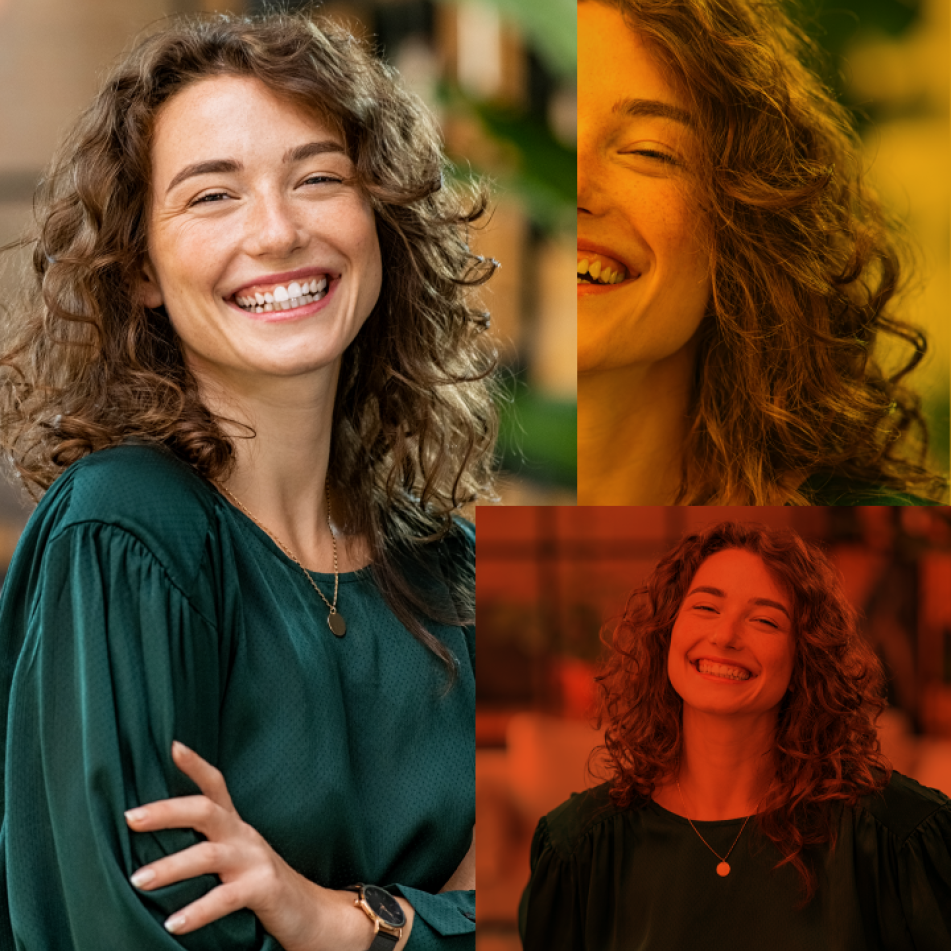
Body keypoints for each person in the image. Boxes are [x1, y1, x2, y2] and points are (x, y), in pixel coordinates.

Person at [0, 11, 496, 950]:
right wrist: (434, 918)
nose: (277, 231)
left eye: (317, 178)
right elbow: (131, 929)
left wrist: (329, 919)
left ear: (377, 218)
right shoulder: (123, 535)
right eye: (211, 196)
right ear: (140, 266)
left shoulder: (451, 570)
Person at [577, 0, 945, 505]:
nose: (574, 188)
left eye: (649, 152)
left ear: (743, 214)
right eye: (535, 140)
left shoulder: (902, 557)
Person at [519, 521, 951, 950]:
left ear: (805, 657)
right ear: (666, 631)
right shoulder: (578, 849)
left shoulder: (901, 838)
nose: (725, 636)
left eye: (764, 620)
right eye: (706, 608)